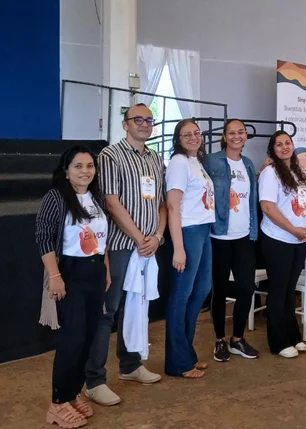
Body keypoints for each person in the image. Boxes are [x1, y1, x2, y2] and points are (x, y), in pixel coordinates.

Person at [85, 103, 166, 406]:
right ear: (125, 124)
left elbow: (161, 202)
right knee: (107, 312)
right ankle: (94, 380)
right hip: (121, 245)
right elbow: (111, 201)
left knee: (137, 307)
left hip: (147, 246)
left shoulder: (156, 158)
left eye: (149, 120)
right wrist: (139, 237)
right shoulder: (109, 155)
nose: (144, 124)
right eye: (138, 119)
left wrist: (157, 236)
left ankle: (130, 366)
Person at [36, 145, 110, 428]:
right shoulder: (56, 197)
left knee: (89, 336)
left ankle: (72, 393)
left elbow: (102, 237)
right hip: (69, 271)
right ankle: (57, 403)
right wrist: (55, 276)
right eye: (78, 166)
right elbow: (43, 237)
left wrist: (106, 269)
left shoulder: (97, 197)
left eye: (90, 165)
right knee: (72, 339)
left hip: (94, 271)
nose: (85, 171)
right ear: (66, 171)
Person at [205, 119, 260, 362]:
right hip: (219, 235)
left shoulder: (248, 164)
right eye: (232, 133)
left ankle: (237, 338)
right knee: (219, 288)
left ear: (245, 137)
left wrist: (253, 230)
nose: (237, 136)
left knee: (246, 288)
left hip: (244, 236)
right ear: (224, 137)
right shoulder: (211, 161)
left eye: (241, 132)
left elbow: (251, 200)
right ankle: (219, 340)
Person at [164, 119, 215, 379]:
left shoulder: (196, 162)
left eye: (196, 133)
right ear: (178, 138)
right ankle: (177, 362)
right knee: (181, 295)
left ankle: (187, 353)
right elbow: (173, 206)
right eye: (187, 134)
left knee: (202, 289)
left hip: (204, 229)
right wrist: (178, 248)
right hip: (188, 231)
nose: (194, 137)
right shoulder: (178, 163)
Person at [259, 131, 306, 358]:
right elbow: (268, 207)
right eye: (279, 144)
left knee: (291, 289)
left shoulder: (300, 171)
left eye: (287, 143)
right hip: (278, 239)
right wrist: (293, 230)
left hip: (300, 239)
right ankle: (278, 342)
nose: (284, 147)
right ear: (273, 149)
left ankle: (293, 335)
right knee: (279, 290)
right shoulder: (270, 173)